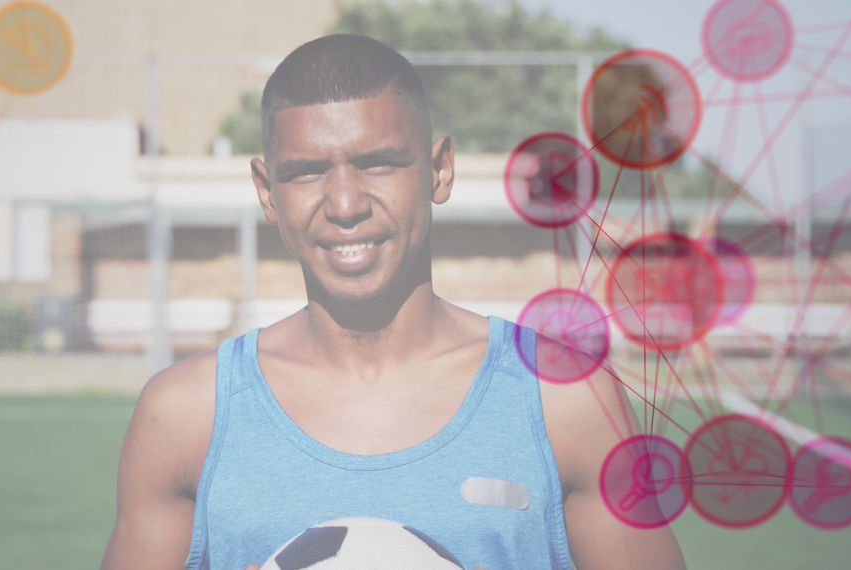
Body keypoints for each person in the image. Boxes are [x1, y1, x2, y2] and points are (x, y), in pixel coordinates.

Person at [100, 34, 686, 570]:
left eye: (378, 163)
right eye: (306, 172)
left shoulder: (566, 400)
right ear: (266, 191)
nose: (346, 203)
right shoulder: (184, 416)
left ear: (439, 169)